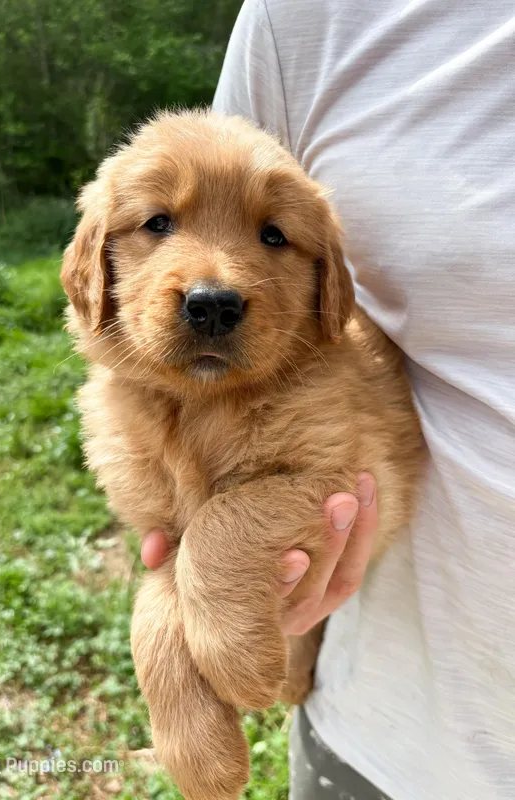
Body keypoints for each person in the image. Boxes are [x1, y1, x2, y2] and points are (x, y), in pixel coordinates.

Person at [141, 1, 515, 797]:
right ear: (89, 263)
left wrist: (224, 555)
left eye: (274, 237)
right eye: (158, 222)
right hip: (381, 724)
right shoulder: (307, 18)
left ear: (329, 289)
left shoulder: (320, 369)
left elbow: (322, 475)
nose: (216, 282)